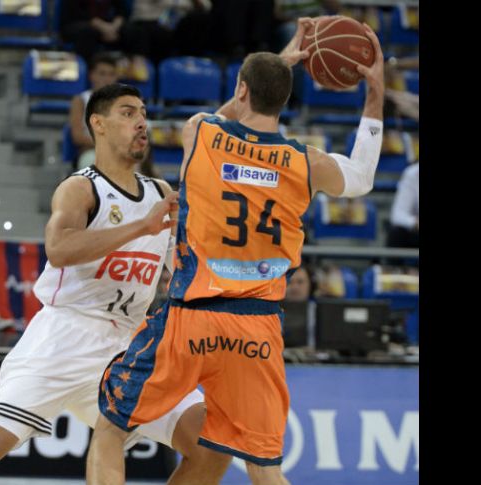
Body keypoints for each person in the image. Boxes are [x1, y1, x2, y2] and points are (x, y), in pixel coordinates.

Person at [87, 18, 385, 485]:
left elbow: (225, 114)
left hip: (190, 317)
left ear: (242, 89)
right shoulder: (305, 161)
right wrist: (374, 89)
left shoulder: (202, 134)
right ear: (286, 101)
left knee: (110, 428)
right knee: (265, 472)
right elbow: (364, 177)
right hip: (257, 328)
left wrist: (283, 60)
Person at [0, 84, 216, 485]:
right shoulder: (80, 188)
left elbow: (210, 132)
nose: (141, 121)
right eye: (127, 113)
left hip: (127, 343)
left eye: (143, 112)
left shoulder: (160, 193)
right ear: (98, 124)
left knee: (210, 441)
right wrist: (140, 226)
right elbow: (59, 248)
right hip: (64, 337)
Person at [70, 53, 119, 170]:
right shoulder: (81, 100)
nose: (107, 79)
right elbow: (77, 137)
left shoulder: (123, 104)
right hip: (91, 153)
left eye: (111, 74)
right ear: (92, 76)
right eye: (102, 74)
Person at [59, 0, 128, 62]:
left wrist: (114, 27)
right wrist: (102, 28)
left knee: (131, 30)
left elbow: (122, 11)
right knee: (88, 32)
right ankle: (86, 67)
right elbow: (76, 13)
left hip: (108, 25)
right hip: (77, 23)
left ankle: (131, 68)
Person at [387, 161, 419, 248]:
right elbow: (397, 215)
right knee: (396, 233)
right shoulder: (413, 174)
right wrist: (415, 223)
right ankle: (388, 262)